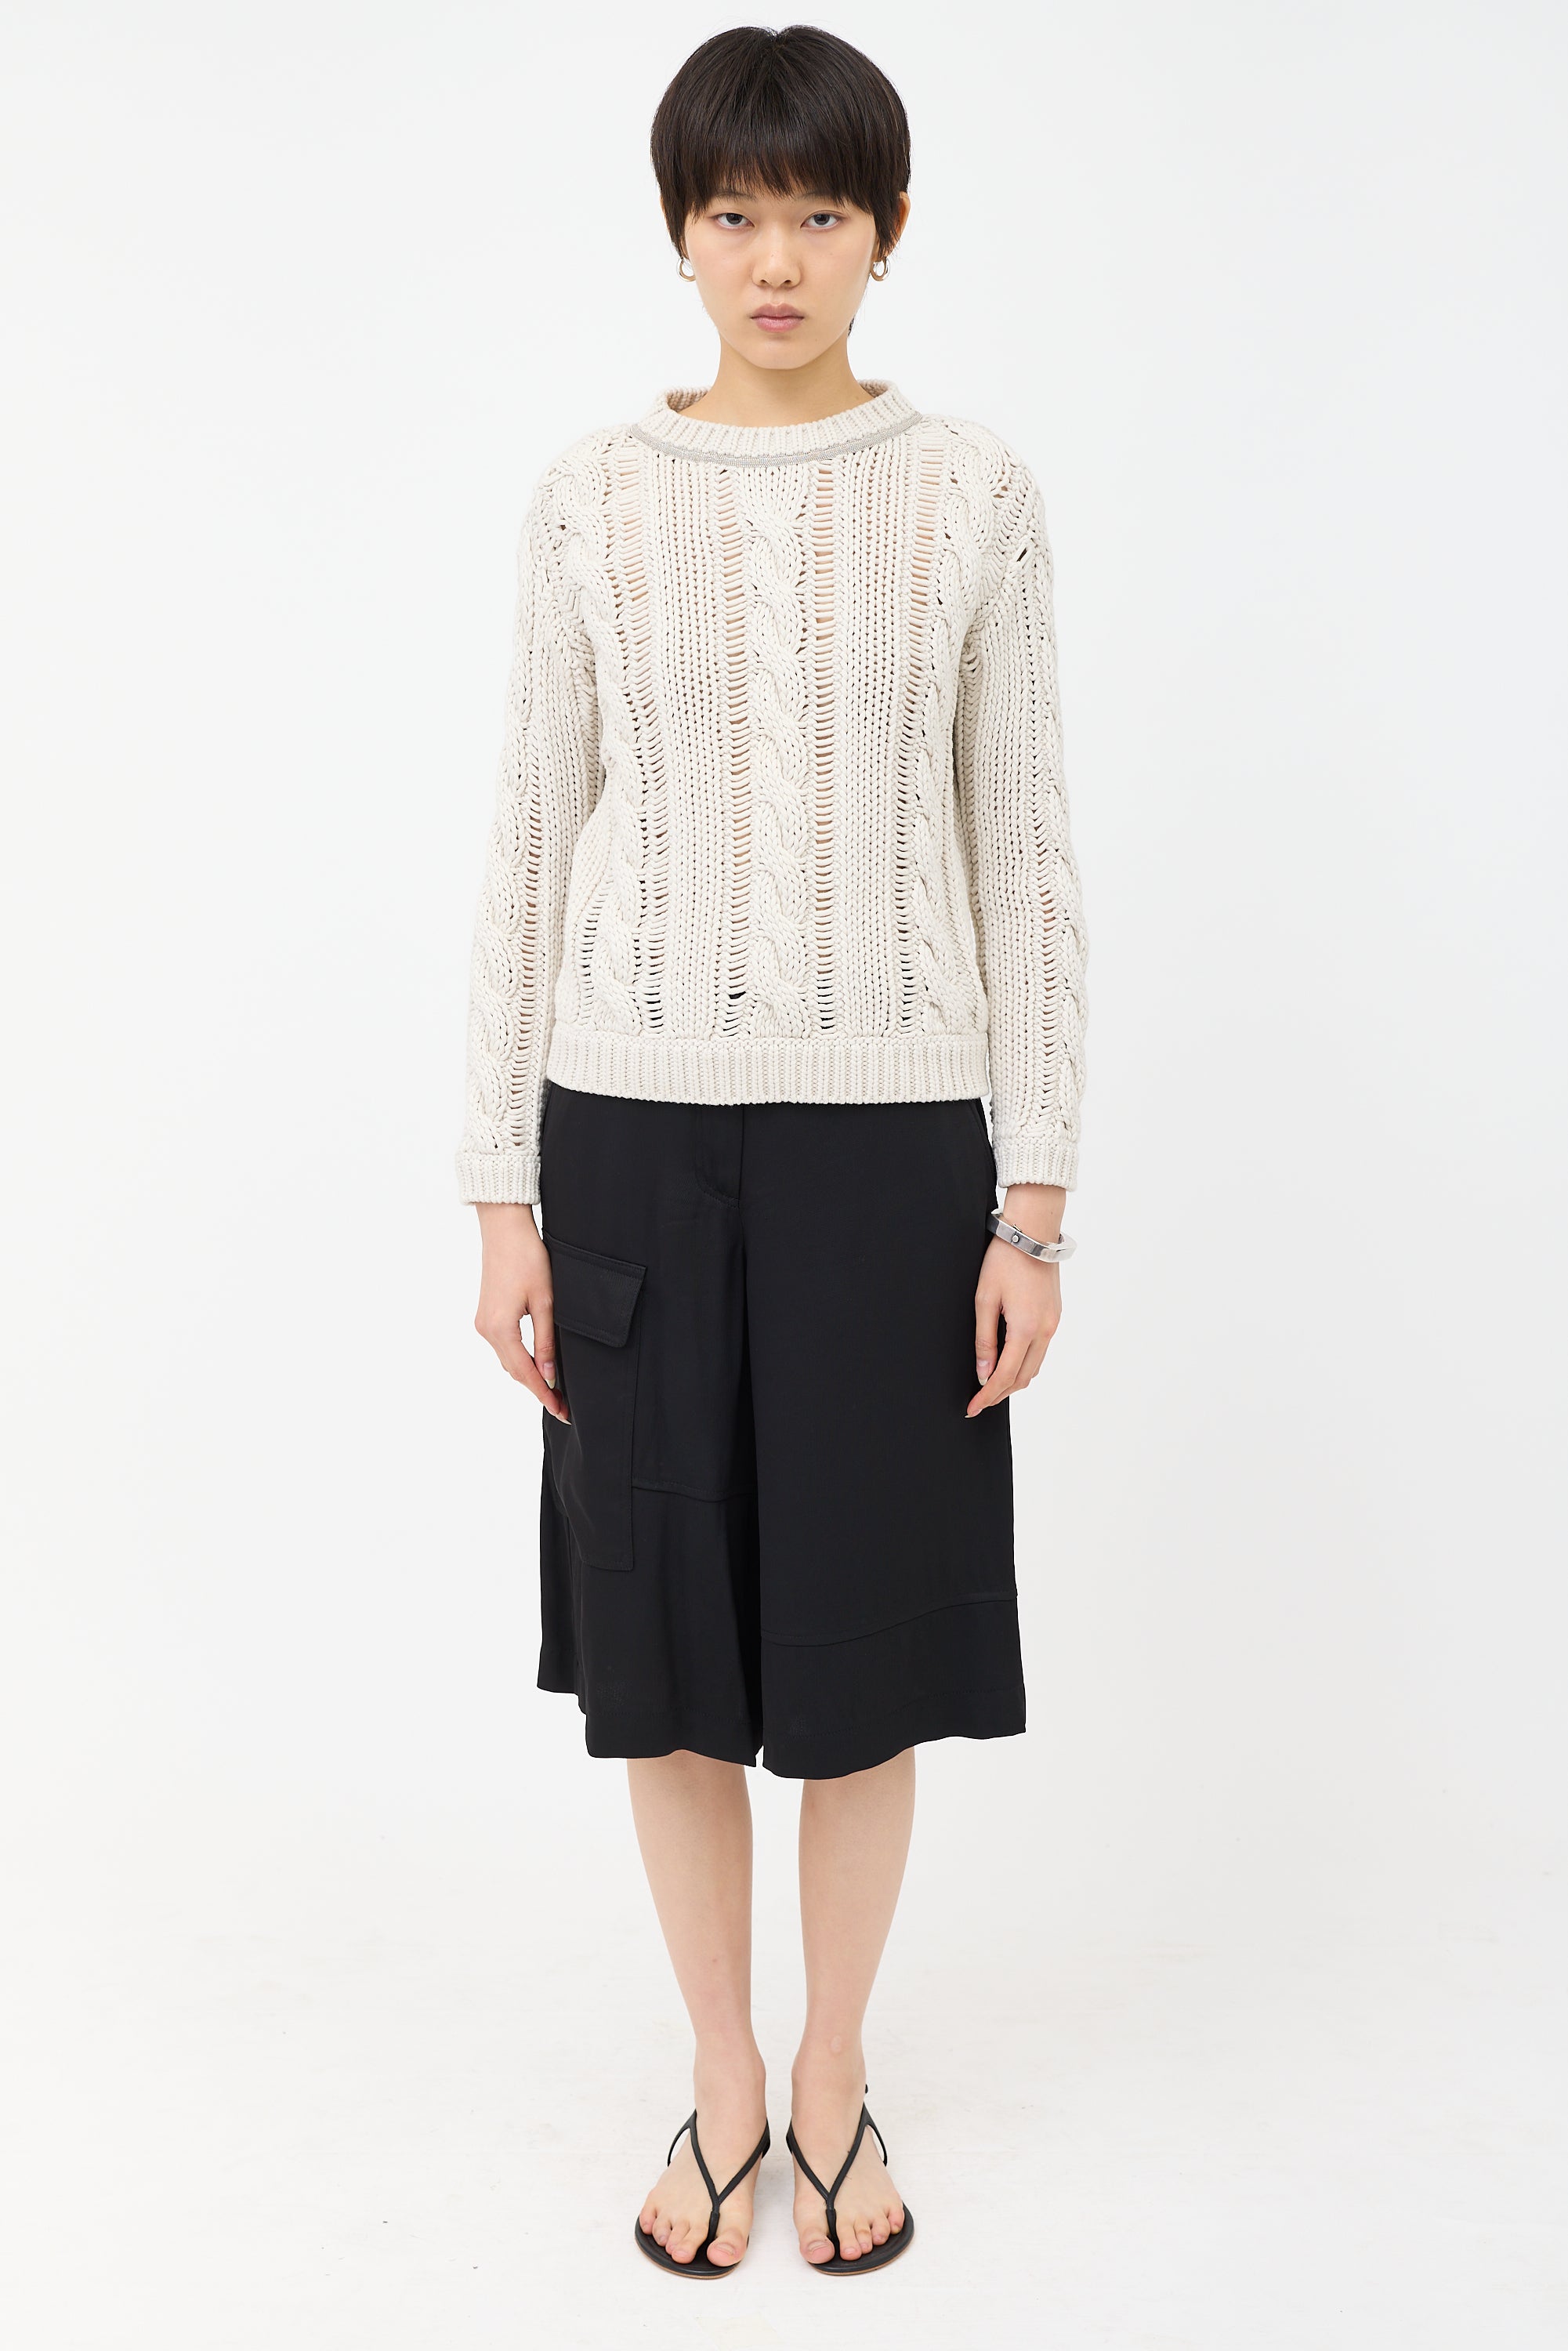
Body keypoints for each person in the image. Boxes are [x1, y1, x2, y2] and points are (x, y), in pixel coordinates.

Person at [455, 24, 1088, 2280]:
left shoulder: (973, 493)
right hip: (625, 1133)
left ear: (886, 231)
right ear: (679, 233)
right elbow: (530, 837)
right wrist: (501, 1192)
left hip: (892, 1152)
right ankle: (721, 2074)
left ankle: (833, 2078)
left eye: (821, 212)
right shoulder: (590, 499)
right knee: (666, 1652)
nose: (777, 258)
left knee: (856, 1654)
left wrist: (1033, 1201)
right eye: (734, 214)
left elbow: (1021, 846)